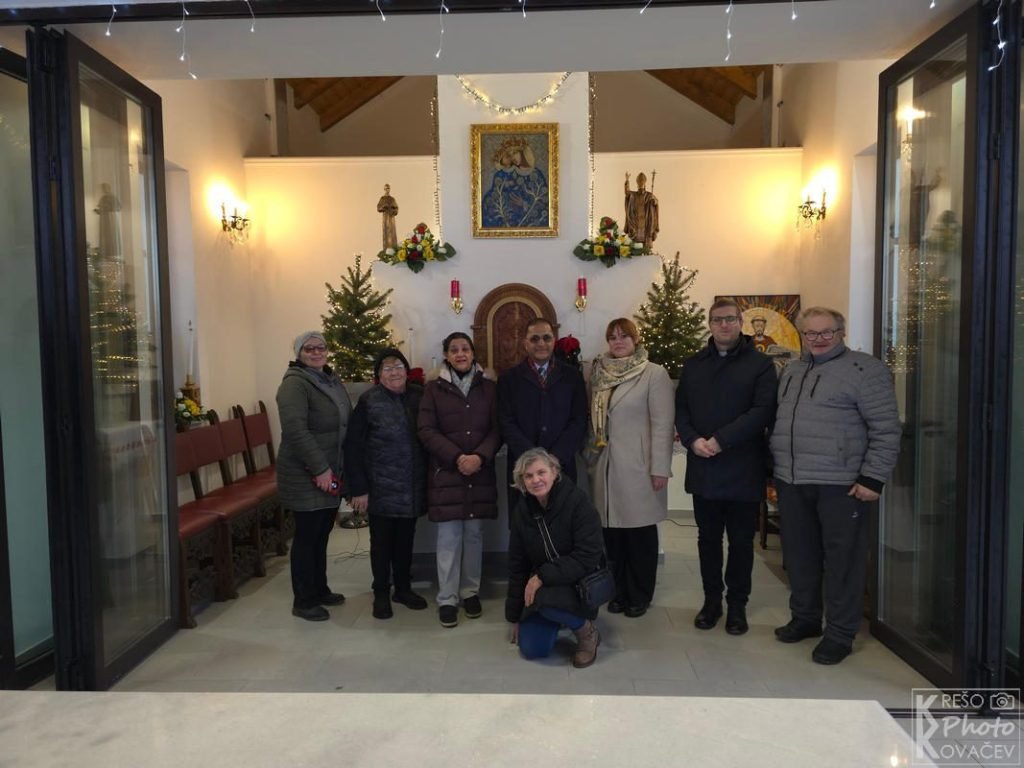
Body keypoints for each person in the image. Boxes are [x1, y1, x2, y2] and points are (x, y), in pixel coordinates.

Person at [770, 306, 900, 665]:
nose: (819, 339)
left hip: (842, 484)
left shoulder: (865, 370)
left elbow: (886, 428)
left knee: (843, 562)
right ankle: (806, 618)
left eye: (827, 331)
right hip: (793, 480)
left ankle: (840, 633)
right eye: (811, 333)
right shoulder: (793, 370)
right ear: (802, 335)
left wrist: (873, 478)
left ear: (841, 332)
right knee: (800, 556)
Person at [675, 298, 778, 636]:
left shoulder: (760, 364)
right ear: (709, 323)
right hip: (703, 464)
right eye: (718, 319)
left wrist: (721, 440)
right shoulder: (694, 364)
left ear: (740, 323)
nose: (724, 325)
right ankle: (711, 601)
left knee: (741, 541)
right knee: (707, 539)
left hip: (742, 465)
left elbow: (762, 411)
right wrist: (693, 440)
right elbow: (681, 409)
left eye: (730, 319)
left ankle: (737, 604)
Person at [588, 317, 674, 617]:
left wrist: (660, 467)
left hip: (639, 466)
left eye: (624, 336)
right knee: (613, 535)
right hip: (605, 465)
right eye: (613, 337)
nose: (618, 341)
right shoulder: (599, 373)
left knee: (639, 534)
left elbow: (663, 424)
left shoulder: (653, 374)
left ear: (635, 340)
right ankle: (619, 592)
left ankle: (640, 594)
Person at [418, 331, 500, 628]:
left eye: (465, 349)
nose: (461, 354)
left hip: (479, 471)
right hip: (448, 472)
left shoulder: (488, 388)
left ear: (473, 353)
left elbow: (497, 429)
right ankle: (447, 598)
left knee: (474, 535)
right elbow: (426, 430)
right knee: (449, 537)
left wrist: (479, 456)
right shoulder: (434, 389)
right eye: (454, 350)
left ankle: (470, 592)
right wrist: (457, 458)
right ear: (446, 355)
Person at [343, 348, 429, 620]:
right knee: (381, 545)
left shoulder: (418, 396)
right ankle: (381, 592)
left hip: (412, 485)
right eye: (387, 368)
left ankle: (403, 589)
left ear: (407, 370)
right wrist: (358, 488)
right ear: (379, 375)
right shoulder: (369, 401)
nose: (394, 372)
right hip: (380, 486)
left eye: (398, 366)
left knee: (405, 542)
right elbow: (353, 446)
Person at [276, 331, 351, 621]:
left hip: (329, 471)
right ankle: (304, 600)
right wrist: (320, 469)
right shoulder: (294, 384)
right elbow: (295, 430)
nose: (317, 352)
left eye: (321, 347)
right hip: (306, 472)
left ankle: (320, 589)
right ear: (299, 353)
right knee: (307, 537)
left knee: (321, 533)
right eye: (309, 349)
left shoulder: (328, 379)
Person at [506, 448, 605, 668]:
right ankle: (559, 616)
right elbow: (517, 565)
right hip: (549, 582)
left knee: (545, 601)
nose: (535, 480)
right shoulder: (522, 511)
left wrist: (541, 577)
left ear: (554, 471)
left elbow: (587, 556)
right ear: (522, 481)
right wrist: (515, 616)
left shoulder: (578, 501)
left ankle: (587, 631)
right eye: (528, 476)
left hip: (580, 582)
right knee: (532, 649)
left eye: (541, 472)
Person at [498, 317, 587, 497]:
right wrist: (533, 459)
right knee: (524, 514)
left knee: (562, 513)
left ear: (554, 341)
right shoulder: (509, 379)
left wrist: (556, 457)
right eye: (534, 339)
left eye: (546, 338)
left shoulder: (572, 376)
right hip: (523, 466)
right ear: (525, 344)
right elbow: (505, 422)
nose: (541, 344)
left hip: (561, 465)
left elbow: (579, 420)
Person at [624, 171, 659, 252]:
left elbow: (656, 203)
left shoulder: (649, 195)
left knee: (646, 250)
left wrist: (654, 201)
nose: (640, 183)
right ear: (637, 183)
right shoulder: (633, 195)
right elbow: (627, 193)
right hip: (635, 226)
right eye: (639, 181)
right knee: (635, 248)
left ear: (645, 183)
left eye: (642, 181)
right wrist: (627, 181)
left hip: (646, 226)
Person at [377, 183, 399, 252]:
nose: (387, 190)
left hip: (391, 219)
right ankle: (386, 251)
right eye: (386, 188)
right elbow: (378, 208)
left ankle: (394, 250)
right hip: (385, 219)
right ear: (384, 189)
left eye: (388, 188)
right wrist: (384, 207)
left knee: (392, 234)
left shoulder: (392, 199)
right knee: (386, 234)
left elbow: (396, 209)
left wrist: (393, 210)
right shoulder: (382, 198)